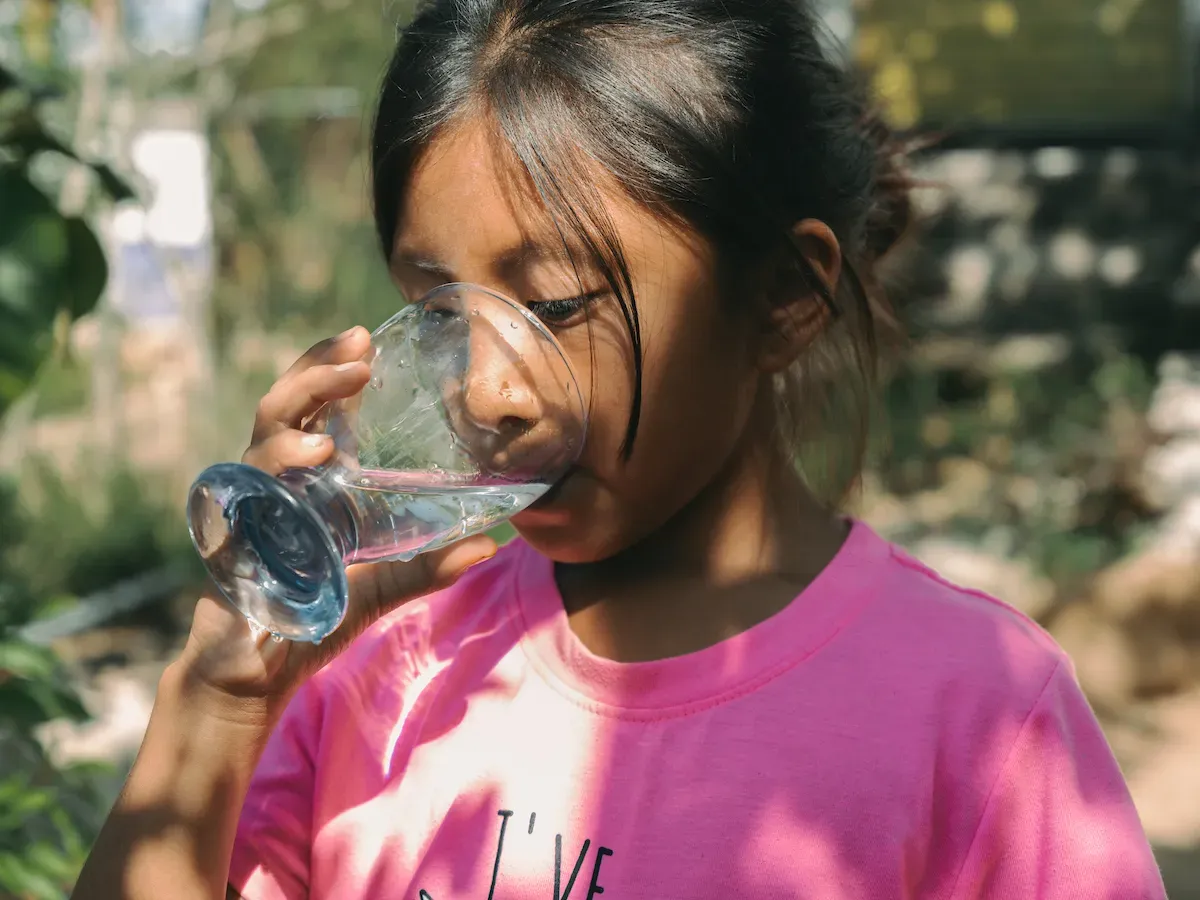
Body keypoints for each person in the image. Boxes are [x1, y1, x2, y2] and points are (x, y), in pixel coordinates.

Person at [72, 1, 1167, 898]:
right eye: (438, 310)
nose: (481, 390)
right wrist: (222, 691)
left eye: (554, 306)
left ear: (783, 296)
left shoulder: (976, 717)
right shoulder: (381, 674)